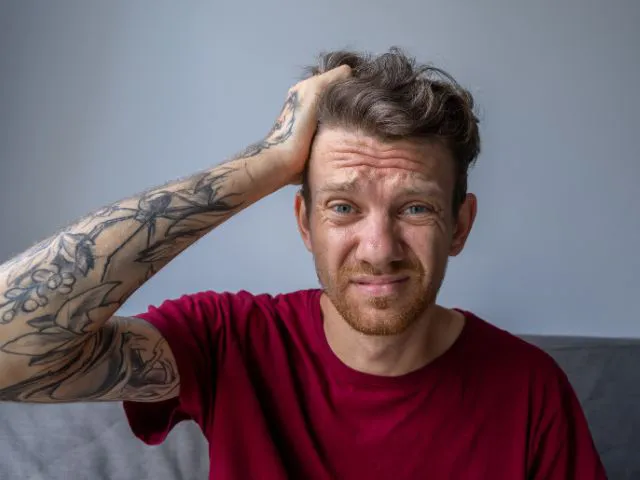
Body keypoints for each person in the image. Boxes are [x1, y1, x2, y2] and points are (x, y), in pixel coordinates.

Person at [0, 48, 606, 479]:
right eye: (343, 207)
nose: (379, 248)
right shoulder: (228, 341)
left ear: (461, 226)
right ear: (304, 224)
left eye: (415, 208)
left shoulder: (531, 389)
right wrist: (266, 162)